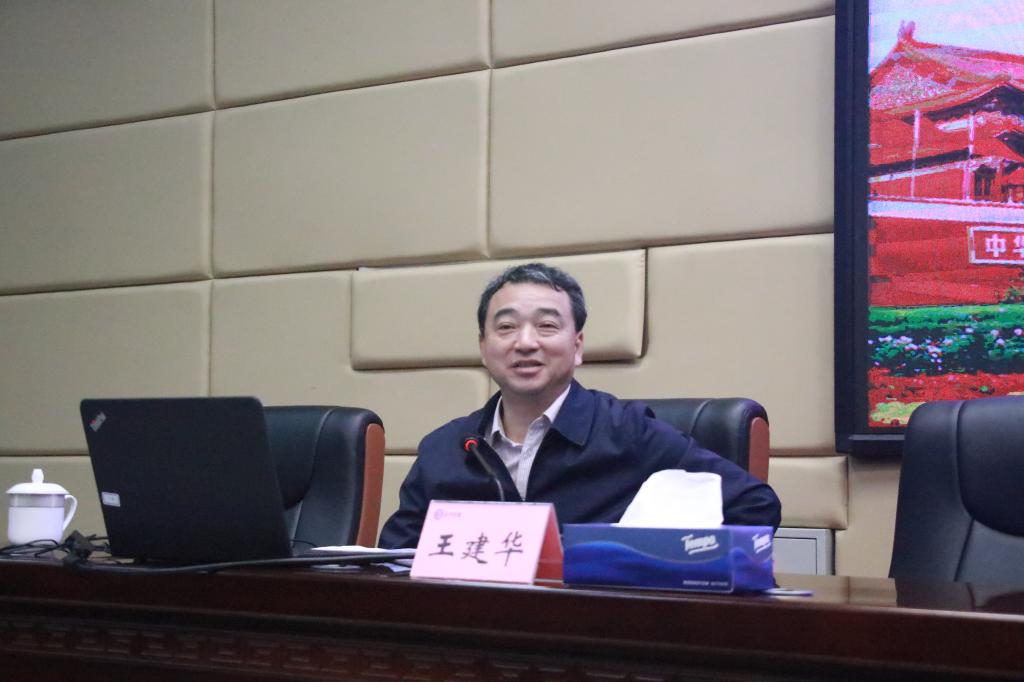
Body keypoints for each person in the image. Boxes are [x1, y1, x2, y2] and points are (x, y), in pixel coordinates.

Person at [378, 263, 781, 548]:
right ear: (483, 348)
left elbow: (755, 506)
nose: (525, 342)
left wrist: (654, 567)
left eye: (547, 325)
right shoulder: (444, 448)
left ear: (577, 346)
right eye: (506, 327)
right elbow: (391, 564)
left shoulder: (628, 433)